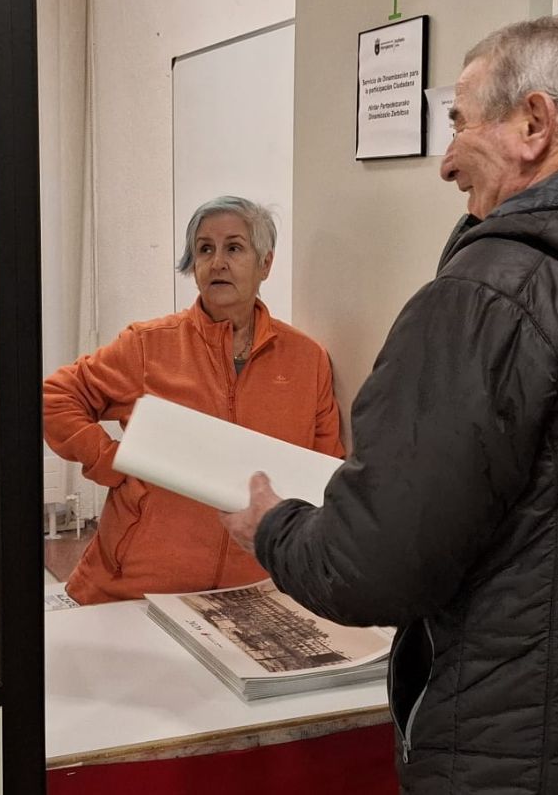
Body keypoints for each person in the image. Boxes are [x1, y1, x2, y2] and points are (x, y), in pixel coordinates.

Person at [223, 14, 558, 793]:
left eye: (458, 122)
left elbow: (369, 567)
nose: (447, 161)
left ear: (535, 123)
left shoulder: (495, 294)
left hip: (518, 762)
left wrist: (273, 527)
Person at [44, 196, 342, 604]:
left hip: (253, 589)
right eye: (205, 249)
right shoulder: (148, 345)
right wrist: (112, 461)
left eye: (234, 248)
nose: (217, 262)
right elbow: (55, 397)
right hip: (133, 587)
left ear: (265, 264)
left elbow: (325, 473)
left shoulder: (307, 359)